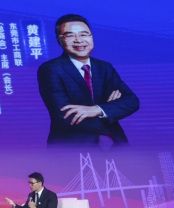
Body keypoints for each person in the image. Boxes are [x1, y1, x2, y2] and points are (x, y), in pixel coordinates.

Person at [37, 14, 139, 146]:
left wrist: (96, 110)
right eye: (70, 35)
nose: (79, 40)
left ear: (91, 37)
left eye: (84, 34)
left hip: (116, 144)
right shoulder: (51, 69)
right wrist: (110, 110)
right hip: (72, 147)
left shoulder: (104, 67)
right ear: (59, 40)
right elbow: (66, 116)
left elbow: (132, 101)